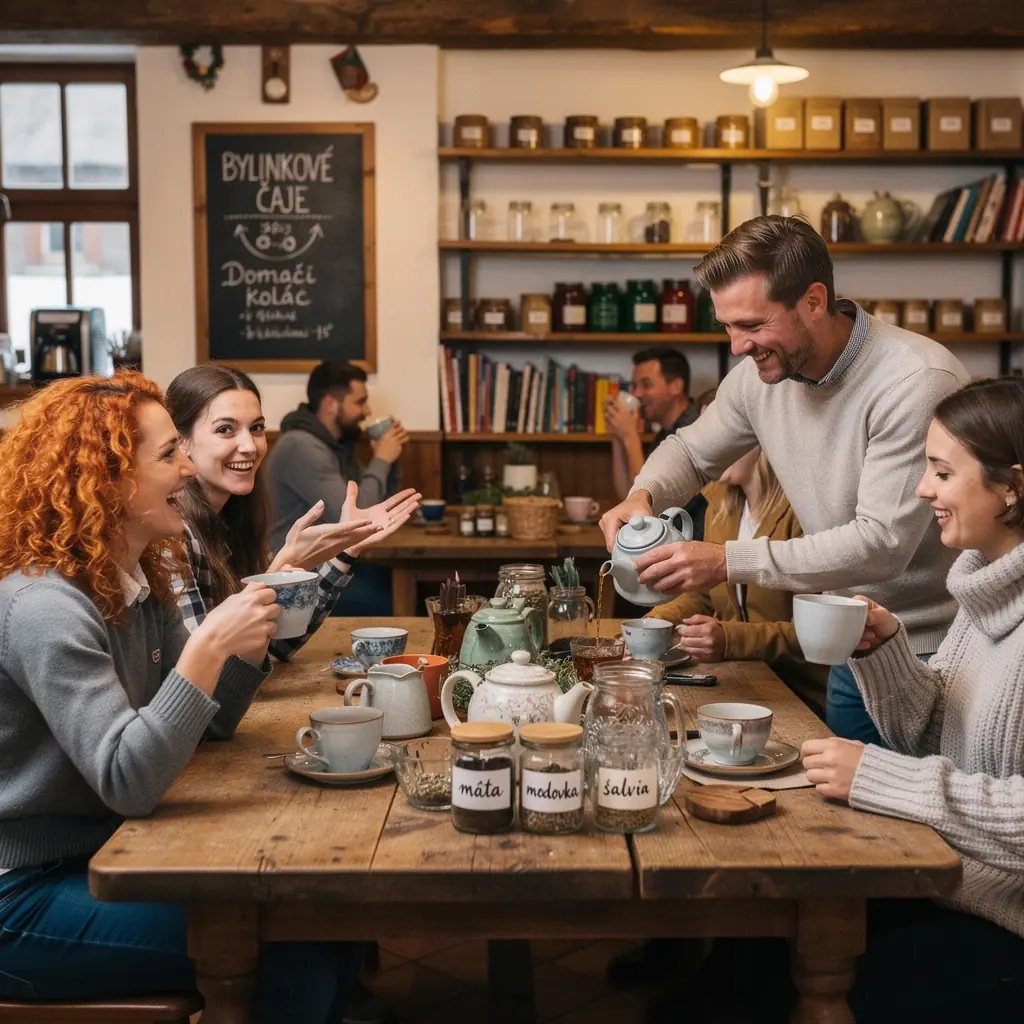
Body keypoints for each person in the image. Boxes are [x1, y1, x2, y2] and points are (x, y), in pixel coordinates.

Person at [0, 373, 363, 1022]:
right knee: (291, 956)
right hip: (20, 896)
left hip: (103, 850)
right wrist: (205, 648)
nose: (188, 469)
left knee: (319, 925)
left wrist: (246, 638)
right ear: (107, 478)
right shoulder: (44, 604)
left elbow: (212, 726)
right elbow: (127, 779)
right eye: (169, 454)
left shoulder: (142, 571)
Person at [598, 215, 970, 745]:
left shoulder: (913, 381)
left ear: (814, 301)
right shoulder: (760, 378)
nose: (738, 347)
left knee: (914, 820)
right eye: (727, 326)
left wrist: (727, 561)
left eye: (752, 326)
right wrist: (644, 494)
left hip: (928, 648)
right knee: (844, 821)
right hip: (849, 635)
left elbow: (880, 544)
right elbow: (690, 449)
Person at [798, 377, 1024, 1022]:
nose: (924, 490)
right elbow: (925, 735)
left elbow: (906, 763)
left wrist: (878, 777)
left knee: (818, 979)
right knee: (762, 944)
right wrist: (885, 650)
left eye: (942, 472)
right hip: (951, 880)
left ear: (1011, 486)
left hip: (1005, 918)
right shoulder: (984, 587)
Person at [165, 365, 419, 658]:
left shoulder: (233, 519)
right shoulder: (172, 534)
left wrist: (348, 549)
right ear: (181, 441)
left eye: (257, 428)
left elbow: (279, 643)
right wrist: (282, 565)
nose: (249, 446)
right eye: (225, 430)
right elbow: (208, 668)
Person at [651, 446, 828, 714]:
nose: (712, 452)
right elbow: (705, 594)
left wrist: (730, 640)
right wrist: (658, 622)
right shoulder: (720, 504)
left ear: (761, 440)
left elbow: (820, 633)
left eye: (727, 438)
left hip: (803, 695)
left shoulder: (804, 512)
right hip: (743, 682)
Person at [265, 361, 409, 616]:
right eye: (360, 401)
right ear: (332, 404)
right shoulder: (302, 448)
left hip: (328, 563)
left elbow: (380, 506)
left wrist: (390, 457)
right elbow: (360, 517)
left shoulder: (335, 445)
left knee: (402, 585)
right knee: (399, 599)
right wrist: (383, 458)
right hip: (296, 578)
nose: (368, 410)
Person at [604, 349, 707, 539]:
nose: (637, 393)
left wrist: (630, 436)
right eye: (634, 386)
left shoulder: (696, 428)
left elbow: (653, 508)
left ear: (676, 386)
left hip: (691, 544)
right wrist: (617, 438)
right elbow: (631, 498)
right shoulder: (663, 433)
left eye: (646, 385)